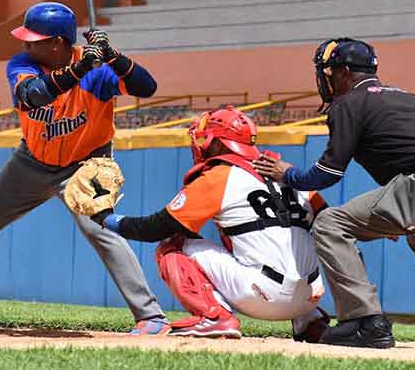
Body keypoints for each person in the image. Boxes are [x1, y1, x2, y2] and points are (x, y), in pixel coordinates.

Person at [0, 2, 169, 335]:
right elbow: (33, 96)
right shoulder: (23, 64)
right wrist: (79, 69)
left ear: (57, 43)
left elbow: (147, 87)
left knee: (102, 231)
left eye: (34, 39)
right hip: (31, 162)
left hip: (84, 165)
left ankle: (151, 317)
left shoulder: (98, 68)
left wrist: (113, 56)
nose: (26, 45)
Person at [253, 38, 415, 352]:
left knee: (330, 224)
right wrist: (395, 216)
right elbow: (411, 157)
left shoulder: (348, 103)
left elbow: (327, 174)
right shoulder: (410, 98)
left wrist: (287, 174)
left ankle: (365, 322)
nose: (325, 80)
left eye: (328, 72)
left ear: (343, 73)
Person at [90, 106, 330, 340]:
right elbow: (330, 226)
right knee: (281, 237)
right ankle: (311, 323)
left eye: (206, 138)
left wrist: (106, 219)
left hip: (263, 295)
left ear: (218, 143)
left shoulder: (220, 176)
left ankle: (215, 316)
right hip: (311, 295)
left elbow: (155, 228)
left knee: (172, 246)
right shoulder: (286, 172)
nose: (201, 144)